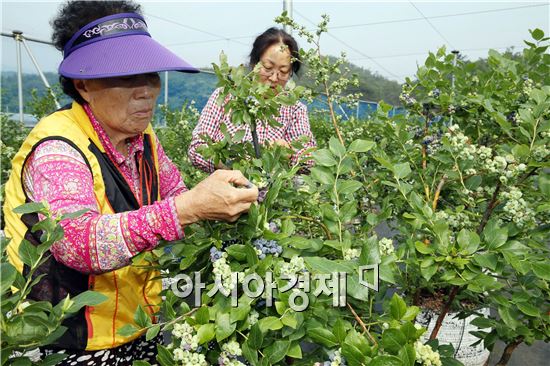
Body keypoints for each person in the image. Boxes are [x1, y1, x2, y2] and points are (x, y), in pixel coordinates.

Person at [2, 1, 258, 364]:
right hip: (73, 341)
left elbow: (175, 193)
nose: (146, 91)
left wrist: (220, 199)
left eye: (150, 75)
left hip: (139, 324)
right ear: (84, 84)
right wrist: (188, 209)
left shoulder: (143, 139)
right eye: (125, 78)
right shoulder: (57, 148)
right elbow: (77, 243)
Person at [188, 27, 316, 173]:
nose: (274, 78)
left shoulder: (294, 109)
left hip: (274, 193)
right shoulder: (226, 97)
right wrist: (232, 164)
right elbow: (197, 148)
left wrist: (287, 153)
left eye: (283, 71)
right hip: (228, 191)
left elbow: (308, 159)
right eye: (268, 68)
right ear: (254, 64)